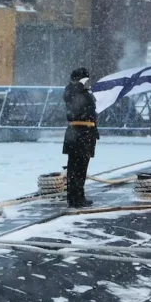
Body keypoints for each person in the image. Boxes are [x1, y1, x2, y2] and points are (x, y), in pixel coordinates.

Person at [62, 67, 99, 208]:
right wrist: (79, 84)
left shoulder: (82, 91)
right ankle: (74, 197)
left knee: (81, 167)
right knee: (76, 167)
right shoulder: (73, 90)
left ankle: (78, 195)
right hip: (79, 132)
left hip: (84, 133)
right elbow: (71, 98)